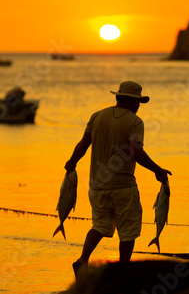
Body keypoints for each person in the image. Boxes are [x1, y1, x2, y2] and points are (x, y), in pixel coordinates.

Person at [64, 81, 171, 278]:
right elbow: (135, 150)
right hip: (123, 186)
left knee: (99, 225)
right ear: (134, 102)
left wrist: (72, 162)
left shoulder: (97, 116)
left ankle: (82, 259)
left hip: (96, 186)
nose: (139, 106)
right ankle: (123, 271)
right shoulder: (134, 122)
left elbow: (83, 145)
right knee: (128, 230)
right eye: (139, 102)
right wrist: (157, 170)